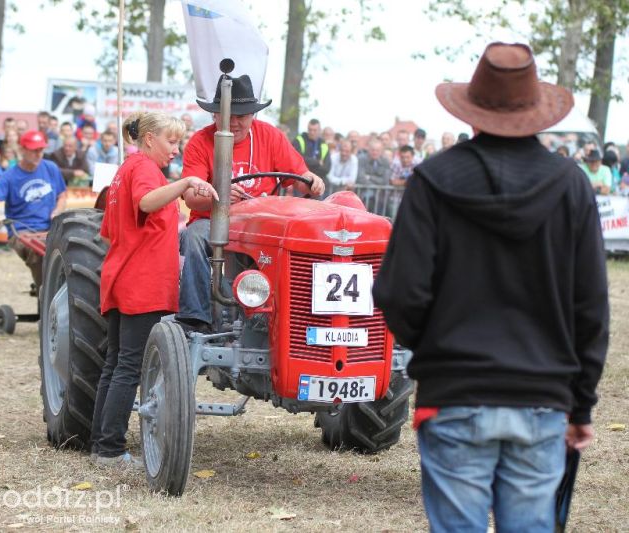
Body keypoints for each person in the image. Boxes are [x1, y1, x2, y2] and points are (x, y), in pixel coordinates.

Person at [372, 42, 609, 531]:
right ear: (536, 115)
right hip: (542, 398)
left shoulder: (432, 180)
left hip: (455, 393)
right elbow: (591, 310)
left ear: (472, 113)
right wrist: (579, 403)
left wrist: (440, 349)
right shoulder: (571, 185)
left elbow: (398, 293)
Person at [89, 111, 216, 468]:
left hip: (122, 277)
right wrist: (186, 182)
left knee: (115, 365)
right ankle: (111, 449)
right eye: (171, 141)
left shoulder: (126, 170)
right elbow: (146, 202)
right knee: (129, 367)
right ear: (149, 139)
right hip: (140, 284)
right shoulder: (144, 169)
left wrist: (178, 185)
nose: (176, 149)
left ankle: (101, 443)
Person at [176, 72, 324, 331]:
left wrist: (311, 180)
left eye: (241, 116)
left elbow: (298, 178)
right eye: (227, 115)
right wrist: (214, 196)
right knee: (193, 236)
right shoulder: (200, 142)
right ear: (214, 115)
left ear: (253, 115)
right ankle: (195, 317)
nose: (234, 123)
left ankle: (298, 319)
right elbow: (190, 196)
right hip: (213, 221)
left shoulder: (271, 136)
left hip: (262, 226)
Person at [0, 130, 67, 288]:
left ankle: (57, 290)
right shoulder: (10, 176)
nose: (38, 154)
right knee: (38, 252)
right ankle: (45, 292)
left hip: (49, 228)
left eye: (41, 150)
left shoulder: (51, 168)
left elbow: (62, 195)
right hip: (22, 232)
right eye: (34, 150)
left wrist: (57, 210)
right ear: (22, 150)